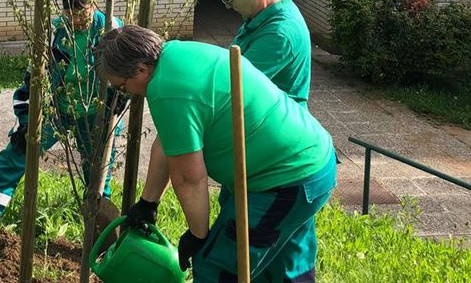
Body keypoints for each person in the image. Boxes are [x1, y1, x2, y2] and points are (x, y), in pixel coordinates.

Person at [98, 25, 335, 283]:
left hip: (284, 181)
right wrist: (148, 202)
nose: (124, 93)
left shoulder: (167, 90)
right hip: (315, 160)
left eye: (121, 87)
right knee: (286, 267)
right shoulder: (177, 54)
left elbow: (190, 179)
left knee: (215, 268)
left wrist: (198, 236)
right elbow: (168, 141)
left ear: (141, 70)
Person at [0, 0, 125, 242]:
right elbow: (32, 79)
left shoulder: (110, 29)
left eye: (82, 16)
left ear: (93, 6)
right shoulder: (54, 32)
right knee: (17, 153)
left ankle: (97, 232)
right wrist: (26, 119)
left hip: (96, 112)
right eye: (71, 16)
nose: (77, 23)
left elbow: (124, 72)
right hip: (57, 107)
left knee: (97, 171)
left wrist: (120, 98)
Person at [208, 0, 312, 106]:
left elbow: (232, 85)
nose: (228, 6)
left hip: (275, 125)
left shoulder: (279, 34)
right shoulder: (262, 14)